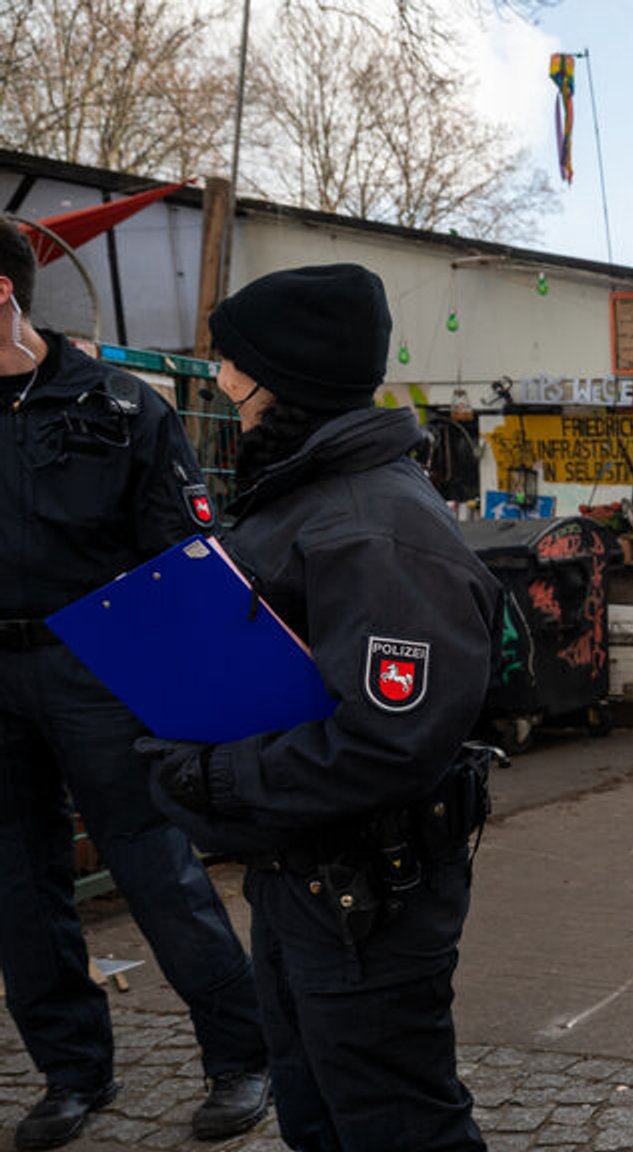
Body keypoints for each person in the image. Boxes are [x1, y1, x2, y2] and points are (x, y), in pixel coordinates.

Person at [138, 262, 498, 1152]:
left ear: (285, 381)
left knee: (396, 1126)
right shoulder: (305, 499)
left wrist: (217, 775)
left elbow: (388, 741)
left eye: (232, 364)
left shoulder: (372, 527)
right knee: (317, 1118)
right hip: (306, 880)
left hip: (368, 896)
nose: (221, 384)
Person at [0, 226, 272, 1148]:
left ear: (2, 293)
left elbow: (184, 556)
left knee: (155, 866)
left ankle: (243, 1058)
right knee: (17, 887)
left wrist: (218, 706)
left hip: (99, 665)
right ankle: (74, 1075)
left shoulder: (118, 406)